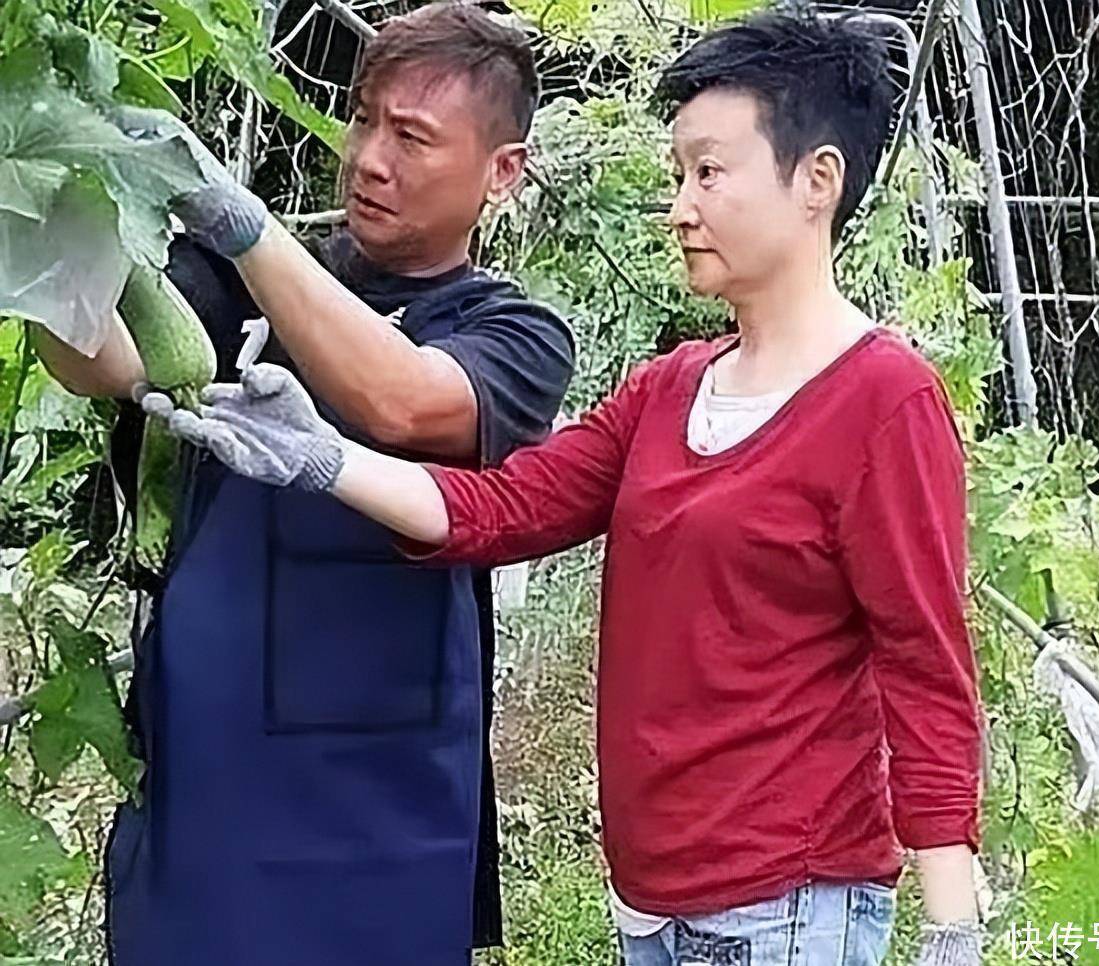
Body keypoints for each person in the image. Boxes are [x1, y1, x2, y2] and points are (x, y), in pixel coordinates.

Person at [143, 11, 985, 966]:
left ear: (816, 182)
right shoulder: (671, 390)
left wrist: (951, 924)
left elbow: (924, 660)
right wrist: (323, 458)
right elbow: (503, 509)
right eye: (678, 175)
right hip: (652, 903)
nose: (681, 207)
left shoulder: (882, 400)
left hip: (785, 901)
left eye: (710, 173)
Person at [34, 5, 573, 964]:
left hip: (386, 809)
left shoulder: (514, 333)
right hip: (207, 783)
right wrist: (48, 211)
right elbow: (100, 361)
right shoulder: (227, 286)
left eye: (412, 137)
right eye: (363, 120)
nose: (369, 159)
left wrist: (245, 224)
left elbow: (404, 402)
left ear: (503, 171)